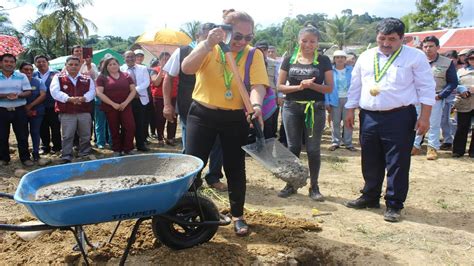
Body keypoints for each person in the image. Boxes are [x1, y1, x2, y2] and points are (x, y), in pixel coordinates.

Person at [181, 9, 268, 236]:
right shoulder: (209, 47)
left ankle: (238, 215)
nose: (242, 42)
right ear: (225, 31)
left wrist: (256, 106)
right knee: (192, 166)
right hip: (202, 114)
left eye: (248, 37)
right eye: (237, 36)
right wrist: (208, 44)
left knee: (235, 166)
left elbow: (258, 86)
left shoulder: (253, 55)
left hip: (235, 118)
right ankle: (190, 211)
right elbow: (187, 68)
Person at [344, 18, 436, 222]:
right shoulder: (366, 56)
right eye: (382, 38)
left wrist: (425, 117)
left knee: (397, 162)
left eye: (392, 39)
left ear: (402, 39)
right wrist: (350, 110)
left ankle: (394, 204)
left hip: (400, 116)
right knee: (370, 158)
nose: (386, 43)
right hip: (368, 115)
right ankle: (370, 196)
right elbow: (356, 85)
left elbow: (426, 87)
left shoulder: (415, 57)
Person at [162, 22, 228, 192]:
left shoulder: (222, 52)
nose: (212, 40)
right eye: (207, 36)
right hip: (189, 107)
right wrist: (167, 105)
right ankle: (191, 179)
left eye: (215, 37)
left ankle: (213, 176)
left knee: (218, 143)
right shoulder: (183, 51)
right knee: (192, 145)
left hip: (216, 106)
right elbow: (168, 78)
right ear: (198, 36)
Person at [276, 25, 334, 201]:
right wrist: (299, 86)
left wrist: (313, 86)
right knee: (293, 147)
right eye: (304, 41)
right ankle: (291, 184)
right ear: (298, 41)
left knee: (313, 149)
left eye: (312, 41)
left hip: (314, 108)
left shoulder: (323, 60)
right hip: (291, 107)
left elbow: (329, 88)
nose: (308, 44)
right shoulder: (288, 59)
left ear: (317, 43)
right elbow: (280, 86)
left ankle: (314, 186)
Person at [411, 36, 458, 160]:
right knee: (415, 122)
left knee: (434, 123)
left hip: (435, 97)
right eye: (425, 46)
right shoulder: (416, 60)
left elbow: (453, 82)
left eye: (431, 46)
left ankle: (432, 147)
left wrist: (441, 95)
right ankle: (415, 145)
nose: (428, 49)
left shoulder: (447, 62)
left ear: (438, 47)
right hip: (417, 97)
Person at [50, 56, 96, 164]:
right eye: (70, 64)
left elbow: (92, 91)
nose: (73, 67)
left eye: (76, 64)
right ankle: (66, 155)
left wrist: (85, 98)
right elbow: (54, 92)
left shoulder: (87, 78)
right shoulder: (58, 77)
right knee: (67, 135)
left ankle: (84, 152)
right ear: (66, 66)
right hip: (67, 112)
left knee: (85, 134)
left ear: (80, 66)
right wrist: (68, 99)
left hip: (84, 110)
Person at [96, 57, 136, 156]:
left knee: (130, 127)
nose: (113, 66)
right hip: (110, 107)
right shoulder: (102, 77)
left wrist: (125, 103)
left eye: (114, 64)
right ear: (106, 67)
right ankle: (117, 149)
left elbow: (133, 90)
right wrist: (113, 104)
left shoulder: (126, 75)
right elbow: (99, 93)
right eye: (110, 64)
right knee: (114, 128)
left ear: (118, 65)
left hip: (125, 106)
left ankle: (128, 148)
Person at [0, 53, 34, 166]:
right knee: (2, 135)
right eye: (6, 61)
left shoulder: (21, 76)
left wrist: (18, 95)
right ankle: (4, 158)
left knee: (22, 135)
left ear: (15, 64)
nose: (9, 64)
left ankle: (25, 158)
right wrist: (5, 95)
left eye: (12, 62)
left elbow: (28, 91)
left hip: (19, 110)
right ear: (1, 63)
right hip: (2, 110)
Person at [120, 51, 151, 152]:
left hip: (140, 99)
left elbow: (147, 82)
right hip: (127, 100)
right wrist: (132, 93)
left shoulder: (143, 68)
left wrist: (135, 90)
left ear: (135, 57)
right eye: (128, 57)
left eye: (132, 56)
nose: (130, 59)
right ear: (124, 58)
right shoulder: (121, 69)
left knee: (140, 123)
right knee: (127, 124)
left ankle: (140, 144)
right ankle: (126, 145)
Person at [325, 50, 355, 152]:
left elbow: (356, 85)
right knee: (335, 122)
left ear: (345, 59)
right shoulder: (330, 71)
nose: (340, 59)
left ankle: (348, 143)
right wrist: (327, 102)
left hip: (348, 99)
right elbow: (326, 87)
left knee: (348, 122)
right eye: (337, 57)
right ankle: (335, 142)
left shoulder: (351, 70)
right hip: (334, 99)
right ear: (334, 59)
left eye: (342, 57)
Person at [33, 55, 61, 155]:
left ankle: (57, 146)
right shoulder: (33, 75)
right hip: (39, 106)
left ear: (47, 62)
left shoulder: (56, 73)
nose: (41, 64)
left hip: (53, 105)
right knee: (42, 127)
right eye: (38, 62)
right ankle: (45, 147)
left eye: (43, 61)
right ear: (35, 64)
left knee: (55, 127)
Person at [20, 62, 47, 162]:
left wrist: (30, 106)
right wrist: (25, 107)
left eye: (31, 70)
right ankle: (25, 154)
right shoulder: (17, 82)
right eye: (26, 69)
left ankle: (36, 152)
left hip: (37, 111)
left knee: (35, 132)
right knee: (23, 133)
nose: (29, 72)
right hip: (20, 111)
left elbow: (43, 95)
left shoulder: (38, 81)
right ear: (20, 71)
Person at [150, 52, 177, 146]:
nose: (166, 61)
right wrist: (161, 70)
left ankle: (170, 137)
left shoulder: (174, 70)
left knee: (173, 118)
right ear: (160, 60)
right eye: (164, 59)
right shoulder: (155, 70)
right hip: (159, 98)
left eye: (168, 59)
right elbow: (156, 83)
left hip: (173, 97)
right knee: (160, 118)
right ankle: (160, 138)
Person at [255, 40, 279, 139]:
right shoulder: (249, 61)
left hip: (270, 97)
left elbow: (277, 79)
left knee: (269, 123)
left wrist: (279, 96)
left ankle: (267, 145)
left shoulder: (274, 63)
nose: (262, 51)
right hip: (254, 97)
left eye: (265, 49)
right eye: (260, 49)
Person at [452, 49, 474, 158]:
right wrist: (462, 89)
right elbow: (454, 84)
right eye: (471, 58)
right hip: (464, 102)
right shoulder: (460, 71)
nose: (473, 60)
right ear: (467, 59)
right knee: (461, 127)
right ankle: (458, 150)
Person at [439, 50, 460, 151]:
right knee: (443, 121)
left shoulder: (461, 70)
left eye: (453, 59)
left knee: (453, 121)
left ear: (456, 59)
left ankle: (456, 140)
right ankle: (447, 140)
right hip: (445, 97)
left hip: (457, 99)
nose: (451, 61)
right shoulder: (444, 68)